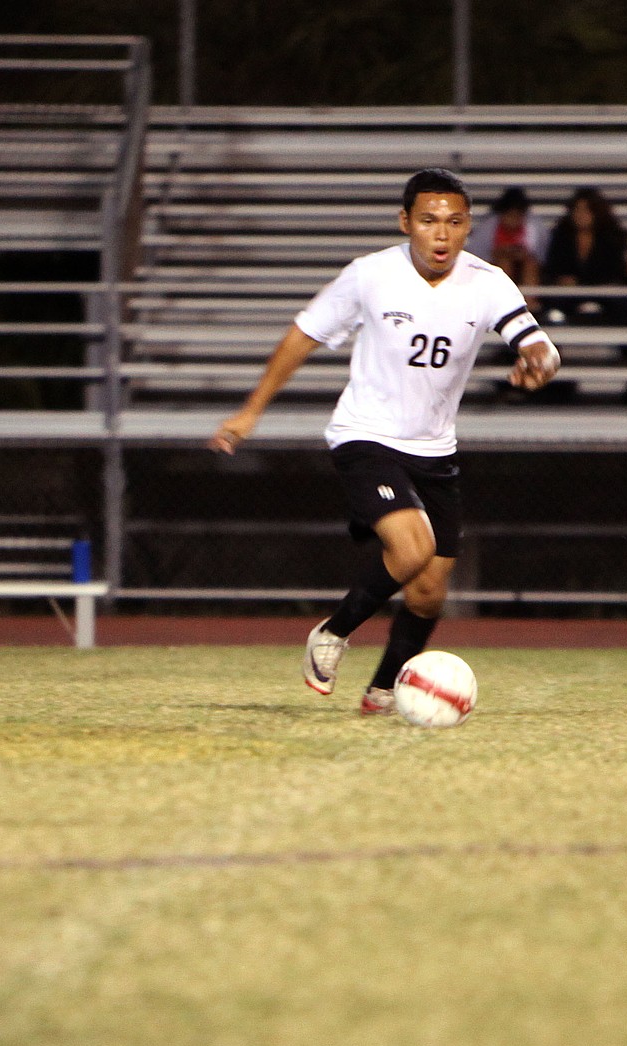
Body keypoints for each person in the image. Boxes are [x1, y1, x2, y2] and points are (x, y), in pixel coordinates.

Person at [209, 168, 559, 716]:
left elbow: (537, 342)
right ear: (405, 222)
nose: (441, 234)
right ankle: (333, 632)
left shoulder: (488, 281)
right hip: (365, 435)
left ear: (469, 228)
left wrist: (541, 363)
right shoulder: (370, 275)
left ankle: (382, 695)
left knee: (429, 591)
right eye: (428, 221)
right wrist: (251, 410)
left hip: (434, 448)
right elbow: (304, 334)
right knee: (411, 548)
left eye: (454, 222)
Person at [543, 186, 627, 325]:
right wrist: (562, 279)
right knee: (554, 303)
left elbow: (616, 270)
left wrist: (588, 282)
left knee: (620, 302)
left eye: (586, 210)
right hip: (570, 294)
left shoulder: (611, 237)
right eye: (577, 209)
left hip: (603, 291)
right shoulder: (561, 236)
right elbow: (553, 267)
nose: (581, 214)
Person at [466, 185, 549, 307]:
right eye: (509, 215)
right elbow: (477, 256)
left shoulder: (534, 226)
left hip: (526, 267)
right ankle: (504, 305)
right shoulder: (489, 226)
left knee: (530, 266)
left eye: (517, 215)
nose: (513, 220)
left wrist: (520, 255)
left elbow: (540, 255)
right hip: (496, 266)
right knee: (504, 264)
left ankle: (529, 305)